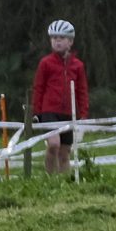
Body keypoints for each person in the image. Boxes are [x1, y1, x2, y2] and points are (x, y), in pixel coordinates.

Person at [30, 18, 89, 176]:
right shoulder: (45, 63)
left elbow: (82, 90)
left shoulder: (78, 66)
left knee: (65, 151)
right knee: (54, 145)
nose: (57, 41)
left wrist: (84, 113)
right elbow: (38, 88)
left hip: (69, 112)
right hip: (49, 111)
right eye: (54, 38)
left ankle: (64, 182)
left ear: (70, 42)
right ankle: (50, 178)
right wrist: (36, 112)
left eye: (61, 38)